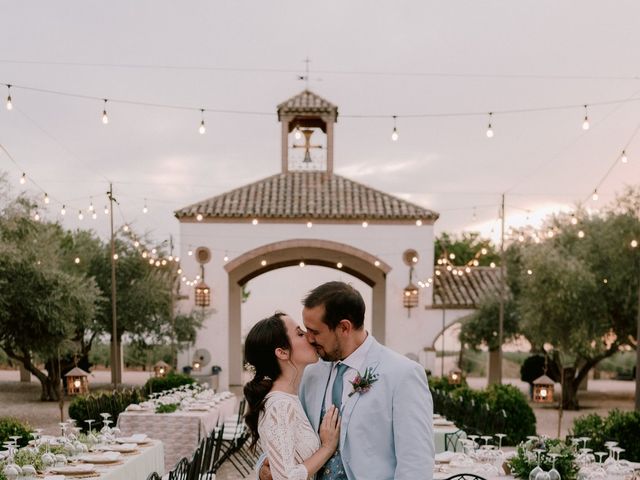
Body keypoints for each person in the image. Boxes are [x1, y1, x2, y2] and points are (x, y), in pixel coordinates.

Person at [258, 281, 434, 480]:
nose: (308, 338)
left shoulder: (402, 374)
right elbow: (286, 432)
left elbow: (416, 463)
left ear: (344, 327)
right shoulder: (310, 372)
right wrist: (264, 466)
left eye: (315, 331)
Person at [244, 312, 342, 480]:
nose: (310, 338)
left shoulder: (288, 398)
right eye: (300, 333)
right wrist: (327, 447)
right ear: (282, 353)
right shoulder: (280, 405)